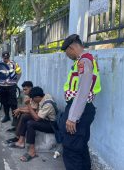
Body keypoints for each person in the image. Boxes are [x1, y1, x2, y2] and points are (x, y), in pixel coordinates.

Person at [60, 34, 101, 170]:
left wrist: (72, 117)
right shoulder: (85, 60)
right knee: (80, 146)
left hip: (79, 110)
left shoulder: (84, 61)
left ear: (71, 48)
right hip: (82, 108)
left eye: (67, 52)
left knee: (71, 148)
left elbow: (83, 90)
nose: (67, 56)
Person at [9, 87, 56, 162]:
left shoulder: (48, 104)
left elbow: (37, 118)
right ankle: (21, 142)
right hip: (44, 119)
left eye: (33, 99)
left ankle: (32, 151)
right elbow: (37, 114)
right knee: (25, 117)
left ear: (37, 97)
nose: (32, 100)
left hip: (51, 125)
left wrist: (28, 105)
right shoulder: (43, 97)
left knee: (30, 124)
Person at [0, 51, 21, 124]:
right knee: (4, 102)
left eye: (7, 58)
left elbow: (19, 73)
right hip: (2, 87)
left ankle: (15, 118)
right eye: (5, 58)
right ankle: (7, 116)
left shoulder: (14, 63)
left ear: (9, 57)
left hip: (12, 87)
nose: (6, 59)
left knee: (13, 103)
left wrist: (15, 82)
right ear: (2, 57)